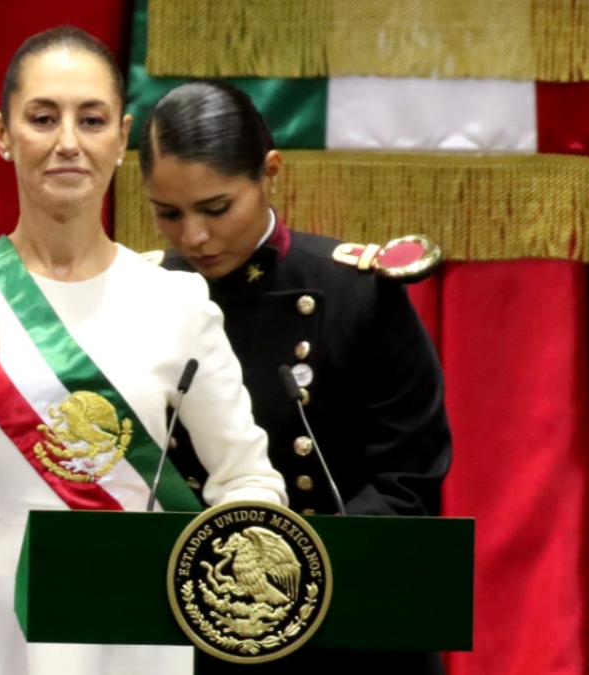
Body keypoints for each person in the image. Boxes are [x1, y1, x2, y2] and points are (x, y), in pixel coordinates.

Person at [0, 28, 287, 675]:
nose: (67, 142)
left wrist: (222, 575)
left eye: (91, 120)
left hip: (130, 632)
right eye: (42, 117)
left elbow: (249, 480)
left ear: (122, 136)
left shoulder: (180, 304)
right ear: (3, 133)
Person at [140, 80, 452, 674]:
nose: (193, 237)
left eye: (216, 208)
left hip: (345, 621)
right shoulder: (138, 297)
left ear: (271, 172)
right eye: (167, 214)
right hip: (186, 624)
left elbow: (408, 478)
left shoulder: (357, 292)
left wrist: (295, 576)